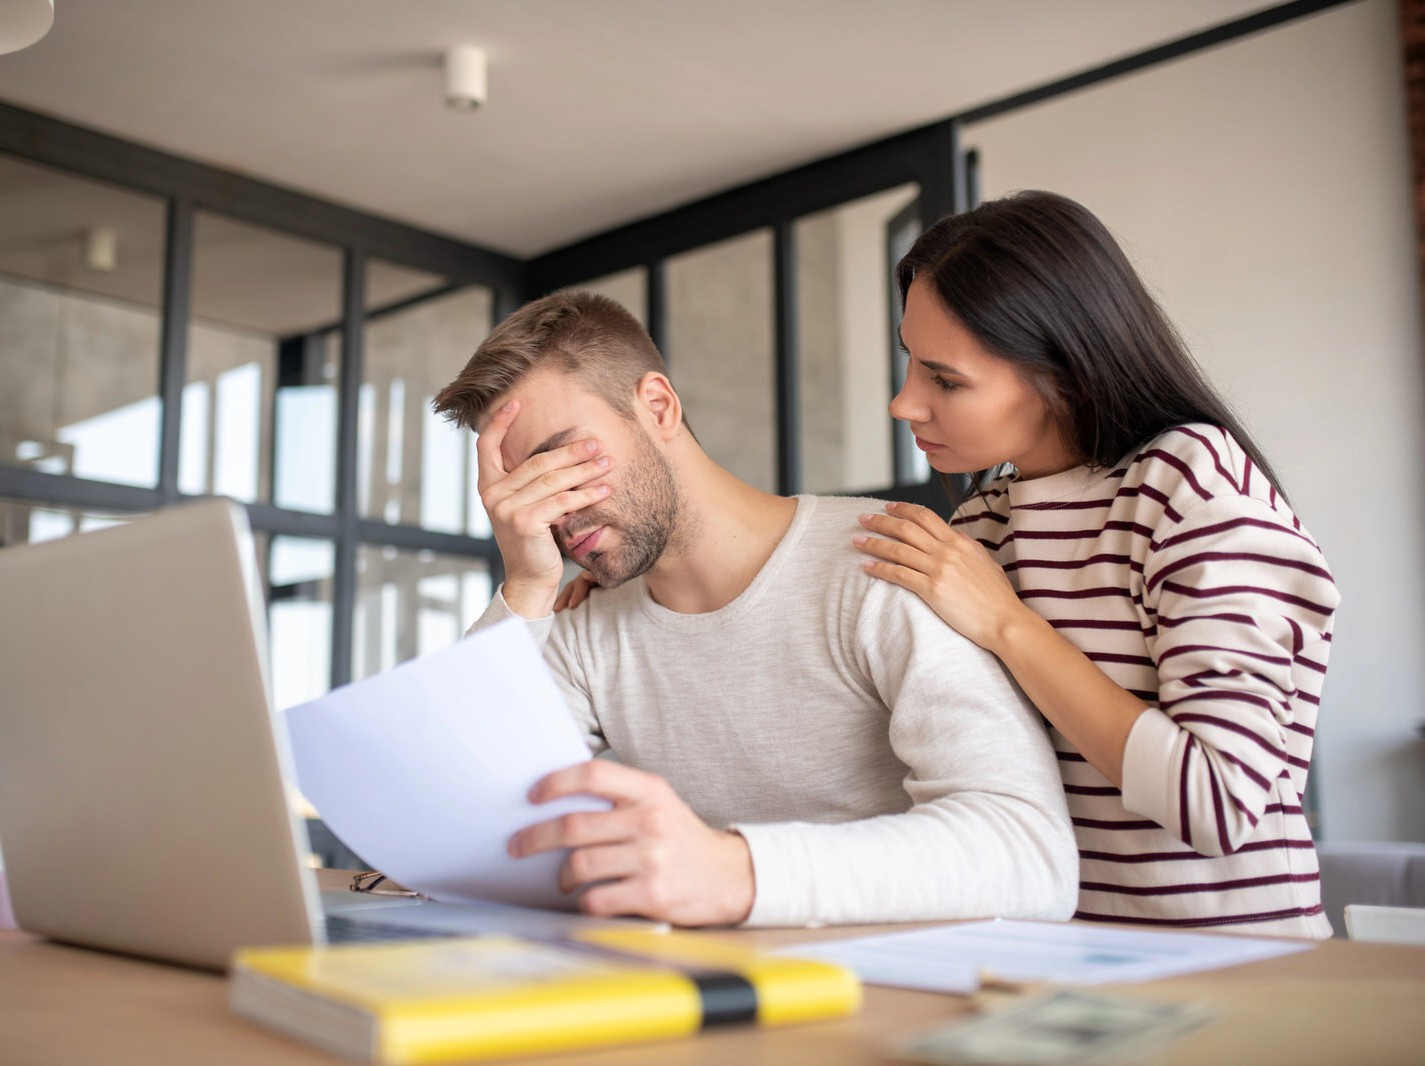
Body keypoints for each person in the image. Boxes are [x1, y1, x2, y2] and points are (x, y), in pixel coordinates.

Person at [432, 290, 1078, 929]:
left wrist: (736, 872)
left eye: (560, 461)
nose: (547, 506)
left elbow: (1030, 856)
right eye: (517, 487)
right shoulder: (580, 627)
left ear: (656, 406)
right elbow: (456, 823)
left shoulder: (887, 564)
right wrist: (525, 585)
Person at [853, 190, 1338, 937]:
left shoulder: (1189, 491)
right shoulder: (982, 526)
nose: (902, 403)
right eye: (909, 364)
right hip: (1062, 965)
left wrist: (1009, 626)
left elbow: (1217, 803)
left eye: (944, 380)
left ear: (1064, 372)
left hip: (1239, 970)